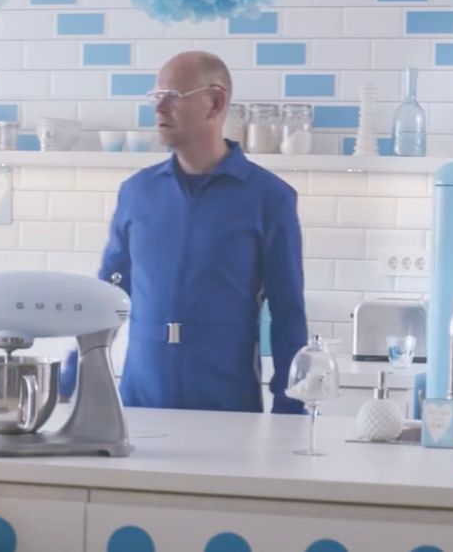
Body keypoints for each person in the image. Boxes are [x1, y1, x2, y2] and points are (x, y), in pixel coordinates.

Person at [95, 51, 307, 414]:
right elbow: (105, 296)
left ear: (215, 102)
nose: (159, 109)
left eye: (173, 97)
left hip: (226, 407)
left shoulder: (269, 198)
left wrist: (289, 407)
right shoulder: (136, 193)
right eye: (156, 97)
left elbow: (288, 311)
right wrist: (71, 376)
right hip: (140, 404)